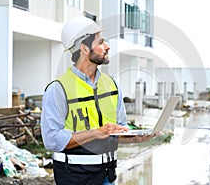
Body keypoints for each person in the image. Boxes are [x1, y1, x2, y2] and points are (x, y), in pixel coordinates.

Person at [41, 16, 154, 185]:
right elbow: (52, 140)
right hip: (73, 177)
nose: (107, 47)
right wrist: (97, 132)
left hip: (107, 176)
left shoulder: (111, 85)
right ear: (85, 49)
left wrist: (135, 137)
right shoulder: (58, 89)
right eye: (101, 42)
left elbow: (117, 130)